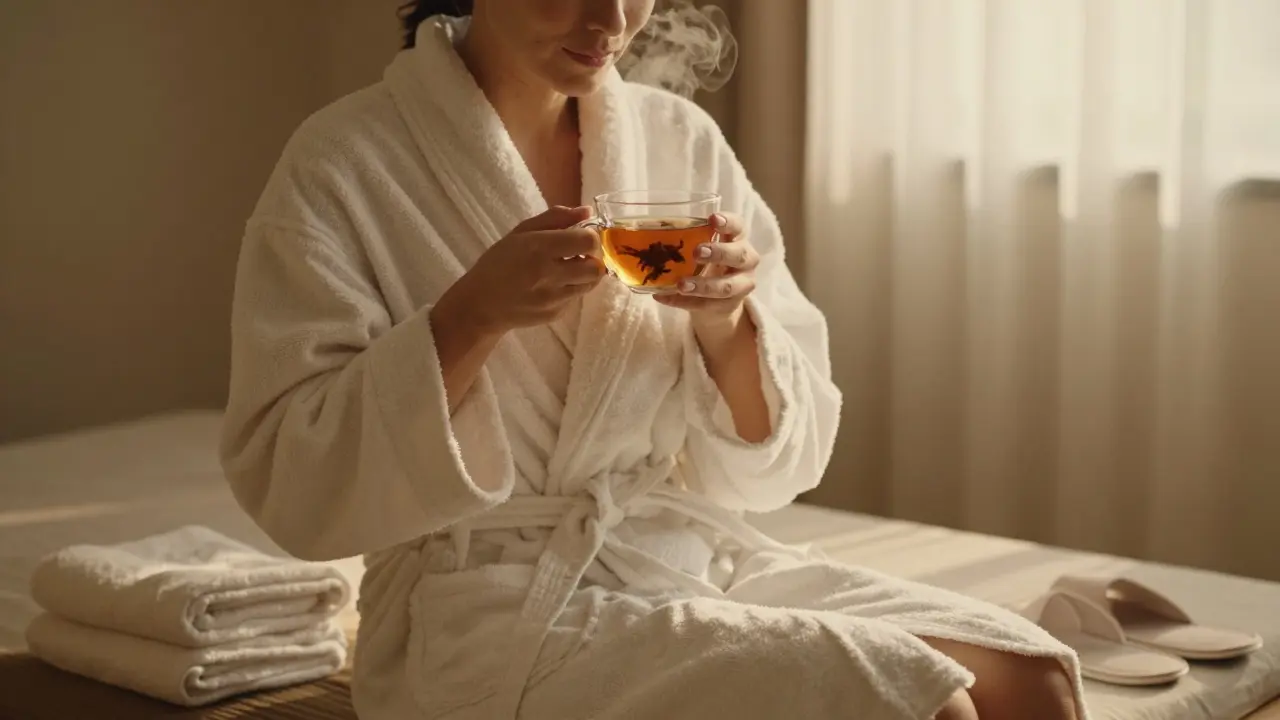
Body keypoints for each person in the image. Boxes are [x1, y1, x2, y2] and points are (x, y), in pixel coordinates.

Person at [220, 1, 1086, 718]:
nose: (614, 19)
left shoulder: (676, 137)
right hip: (479, 611)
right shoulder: (344, 162)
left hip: (667, 555)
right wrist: (470, 317)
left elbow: (773, 460)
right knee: (919, 705)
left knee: (1035, 681)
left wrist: (726, 318)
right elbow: (292, 476)